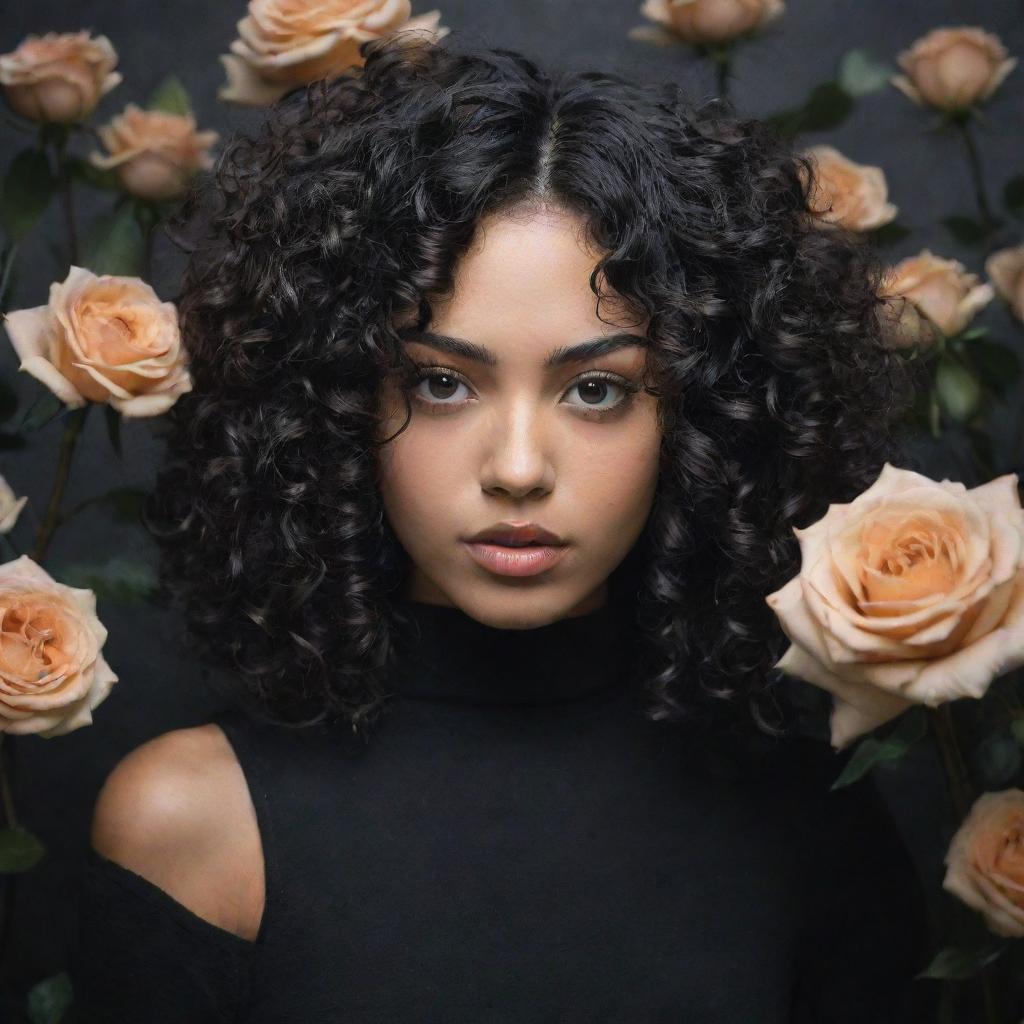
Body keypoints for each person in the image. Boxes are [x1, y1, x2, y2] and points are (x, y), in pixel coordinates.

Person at [69, 28, 937, 1023]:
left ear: (701, 414)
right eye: (442, 383)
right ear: (334, 400)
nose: (518, 468)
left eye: (598, 389)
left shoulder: (803, 814)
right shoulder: (192, 825)